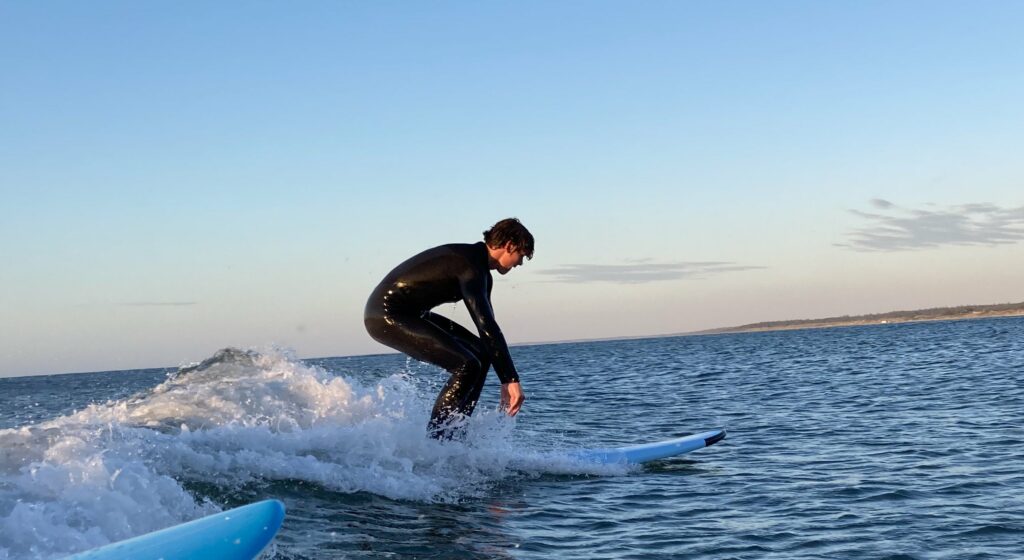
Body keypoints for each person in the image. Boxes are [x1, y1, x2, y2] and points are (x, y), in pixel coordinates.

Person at [364, 218, 534, 439]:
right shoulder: (469, 266)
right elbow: (486, 325)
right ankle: (438, 441)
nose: (520, 263)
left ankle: (456, 435)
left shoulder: (480, 271)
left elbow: (488, 329)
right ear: (509, 245)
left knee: (481, 354)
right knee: (466, 364)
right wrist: (509, 379)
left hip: (410, 314)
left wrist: (508, 377)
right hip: (385, 314)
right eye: (521, 255)